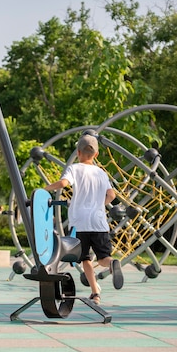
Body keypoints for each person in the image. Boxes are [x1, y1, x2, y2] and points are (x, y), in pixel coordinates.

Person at [44, 131, 123, 305]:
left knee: (85, 258)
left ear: (78, 153)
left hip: (80, 222)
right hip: (99, 222)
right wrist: (99, 205)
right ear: (96, 155)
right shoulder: (101, 173)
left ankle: (95, 292)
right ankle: (111, 266)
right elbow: (111, 194)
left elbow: (64, 184)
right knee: (103, 258)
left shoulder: (74, 168)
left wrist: (45, 188)